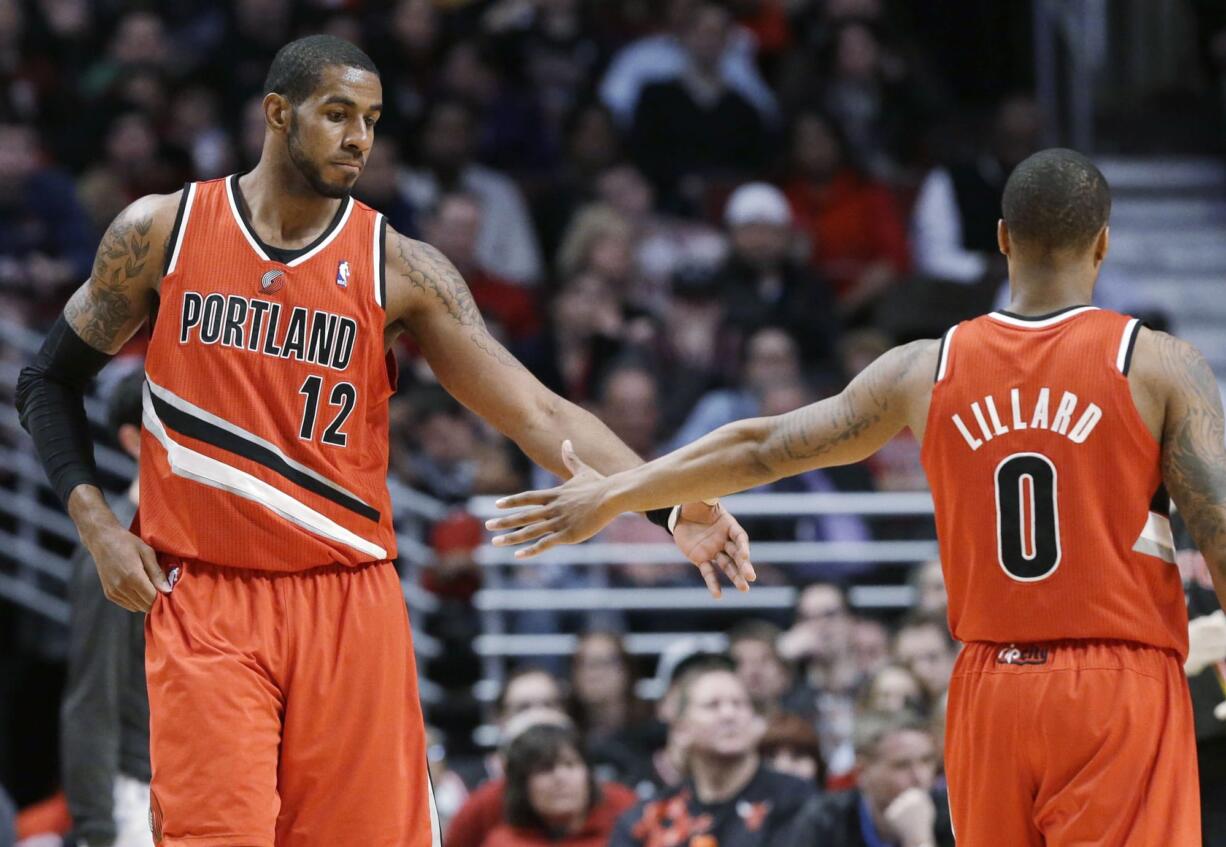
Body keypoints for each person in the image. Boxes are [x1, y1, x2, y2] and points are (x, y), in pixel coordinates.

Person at [15, 35, 752, 847]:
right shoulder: (163, 230)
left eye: (370, 119)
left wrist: (672, 503)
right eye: (338, 115)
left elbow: (538, 412)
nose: (360, 136)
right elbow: (46, 380)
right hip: (209, 598)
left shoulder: (400, 267)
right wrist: (97, 529)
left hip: (347, 598)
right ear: (276, 113)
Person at [491, 147, 1226, 844]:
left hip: (987, 686)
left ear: (1001, 238)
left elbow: (760, 445)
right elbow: (1220, 525)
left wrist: (619, 491)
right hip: (1115, 681)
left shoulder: (925, 368)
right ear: (1103, 244)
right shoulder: (1157, 363)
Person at [60, 371, 151, 847]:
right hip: (136, 798)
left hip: (205, 785)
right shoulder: (113, 553)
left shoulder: (212, 538)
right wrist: (96, 828)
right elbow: (93, 696)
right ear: (132, 440)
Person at [608, 662, 816, 846]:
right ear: (681, 730)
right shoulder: (650, 819)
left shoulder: (796, 799)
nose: (729, 714)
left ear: (755, 723)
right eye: (712, 705)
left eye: (739, 703)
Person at [784, 712, 954, 847]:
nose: (920, 777)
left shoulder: (951, 817)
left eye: (927, 761)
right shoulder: (825, 821)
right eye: (901, 765)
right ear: (862, 771)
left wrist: (919, 840)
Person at [482, 723, 637, 847]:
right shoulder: (502, 842)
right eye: (545, 768)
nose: (560, 778)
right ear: (521, 784)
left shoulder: (629, 829)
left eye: (570, 765)